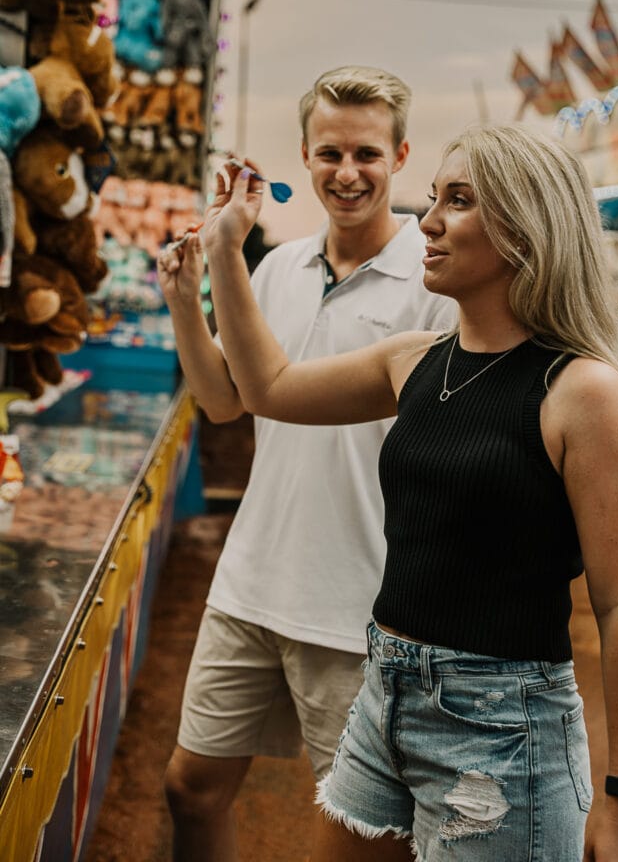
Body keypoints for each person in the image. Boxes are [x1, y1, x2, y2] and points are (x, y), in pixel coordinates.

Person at [198, 123, 618, 862]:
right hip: (383, 694)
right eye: (435, 197)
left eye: (459, 201)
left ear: (526, 231)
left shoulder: (583, 391)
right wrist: (224, 248)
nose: (428, 223)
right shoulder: (414, 361)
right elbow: (265, 387)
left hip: (501, 729)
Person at [158, 65, 456, 860]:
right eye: (328, 154)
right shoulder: (277, 268)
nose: (346, 172)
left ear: (398, 156)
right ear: (304, 156)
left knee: (361, 834)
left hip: (359, 604)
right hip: (252, 581)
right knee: (190, 790)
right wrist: (189, 299)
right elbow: (225, 401)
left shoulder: (433, 288)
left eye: (365, 153)